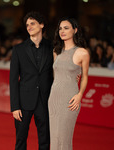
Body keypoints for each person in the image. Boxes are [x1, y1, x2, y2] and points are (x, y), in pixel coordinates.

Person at [10, 11, 53, 150]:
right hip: (23, 102)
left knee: (45, 141)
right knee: (21, 140)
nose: (29, 27)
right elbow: (13, 79)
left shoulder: (52, 47)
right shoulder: (18, 49)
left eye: (32, 23)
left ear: (41, 25)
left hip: (45, 101)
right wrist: (15, 106)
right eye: (27, 25)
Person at [48, 17, 90, 150]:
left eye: (66, 28)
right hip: (54, 98)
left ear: (75, 30)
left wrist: (80, 95)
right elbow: (56, 75)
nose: (62, 31)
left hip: (70, 99)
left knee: (64, 137)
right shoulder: (56, 51)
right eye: (60, 28)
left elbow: (84, 77)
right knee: (54, 137)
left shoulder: (82, 52)